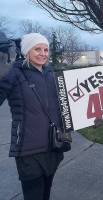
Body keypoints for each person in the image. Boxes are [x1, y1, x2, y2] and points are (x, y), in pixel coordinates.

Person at [0, 33, 65, 200]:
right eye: (37, 49)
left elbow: (66, 107)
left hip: (53, 147)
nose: (43, 53)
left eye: (46, 49)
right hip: (28, 151)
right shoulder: (13, 73)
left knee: (46, 194)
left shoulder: (52, 74)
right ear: (27, 51)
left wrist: (90, 117)